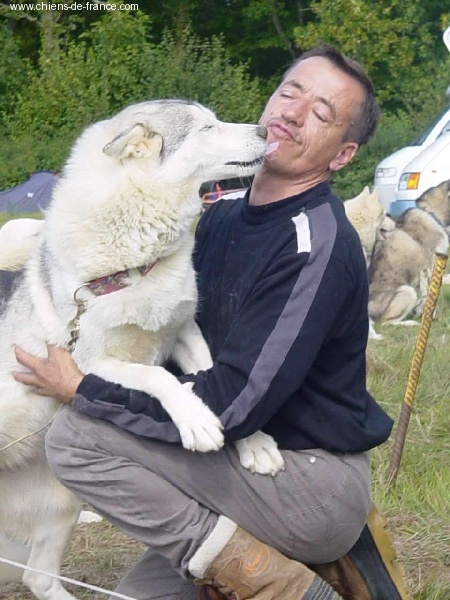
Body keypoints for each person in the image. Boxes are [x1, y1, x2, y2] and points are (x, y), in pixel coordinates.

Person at [13, 45, 411, 600]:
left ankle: (287, 588)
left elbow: (229, 407)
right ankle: (256, 565)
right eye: (290, 92)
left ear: (342, 156)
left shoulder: (314, 240)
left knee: (77, 438)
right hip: (234, 470)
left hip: (305, 479)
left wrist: (82, 387)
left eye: (320, 113)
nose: (293, 113)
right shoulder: (219, 215)